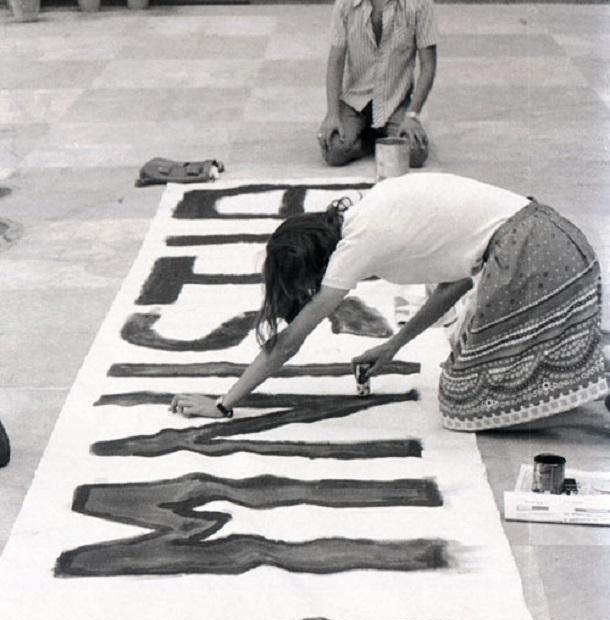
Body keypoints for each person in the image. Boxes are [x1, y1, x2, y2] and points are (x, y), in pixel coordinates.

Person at [170, 173, 608, 432]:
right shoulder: (370, 209)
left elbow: (290, 342)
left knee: (464, 402)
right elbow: (454, 283)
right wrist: (393, 345)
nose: (311, 293)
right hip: (558, 240)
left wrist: (225, 403)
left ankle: (602, 367)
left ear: (317, 261)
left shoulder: (355, 246)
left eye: (307, 283)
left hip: (534, 257)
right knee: (474, 358)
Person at [317, 0, 438, 168]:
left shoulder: (420, 4)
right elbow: (336, 61)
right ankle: (373, 142)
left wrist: (412, 115)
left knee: (415, 153)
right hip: (355, 101)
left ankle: (380, 137)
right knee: (334, 151)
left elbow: (428, 65)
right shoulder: (345, 4)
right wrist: (332, 114)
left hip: (395, 100)